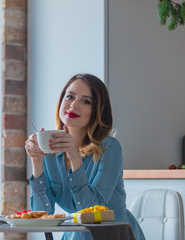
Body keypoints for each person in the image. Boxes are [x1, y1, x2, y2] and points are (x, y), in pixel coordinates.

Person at [25, 73, 145, 240]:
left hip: (112, 235)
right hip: (75, 235)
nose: (74, 105)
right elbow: (42, 213)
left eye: (86, 101)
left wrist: (75, 160)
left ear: (97, 111)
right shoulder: (51, 150)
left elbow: (93, 210)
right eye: (70, 97)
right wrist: (37, 162)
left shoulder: (110, 148)